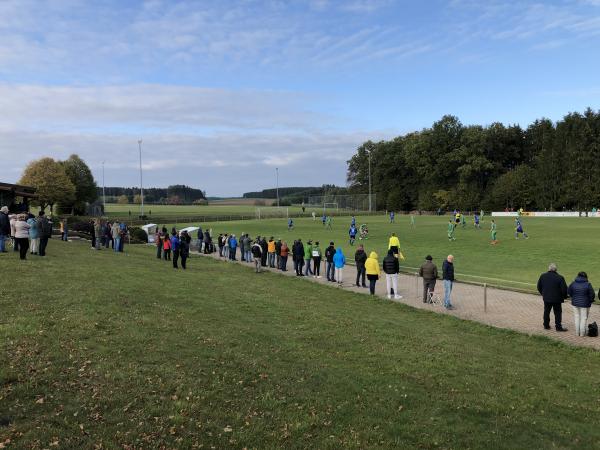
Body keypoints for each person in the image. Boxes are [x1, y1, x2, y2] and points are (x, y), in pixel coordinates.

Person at [537, 263, 568, 331]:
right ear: (556, 270)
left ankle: (546, 325)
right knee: (557, 313)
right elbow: (564, 289)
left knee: (546, 311)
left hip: (547, 298)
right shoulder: (560, 277)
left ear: (549, 269)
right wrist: (565, 297)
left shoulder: (543, 276)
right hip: (557, 299)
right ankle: (558, 327)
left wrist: (543, 294)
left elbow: (539, 287)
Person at [568, 272, 595, 336]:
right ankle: (582, 333)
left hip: (575, 303)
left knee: (576, 317)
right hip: (585, 304)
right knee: (584, 318)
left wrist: (573, 297)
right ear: (586, 277)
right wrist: (590, 301)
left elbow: (569, 292)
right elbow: (592, 294)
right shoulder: (588, 284)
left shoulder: (573, 283)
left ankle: (577, 333)